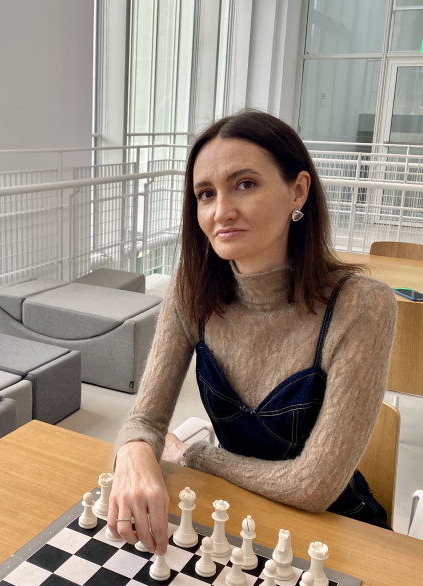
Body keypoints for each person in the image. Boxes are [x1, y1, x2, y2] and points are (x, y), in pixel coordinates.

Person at [108, 111, 398, 554]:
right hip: (235, 517)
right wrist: (133, 451)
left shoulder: (363, 305)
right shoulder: (190, 287)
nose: (221, 212)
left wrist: (193, 456)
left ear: (297, 191)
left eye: (245, 184)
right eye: (206, 194)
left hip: (333, 535)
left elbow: (313, 487)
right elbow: (145, 421)